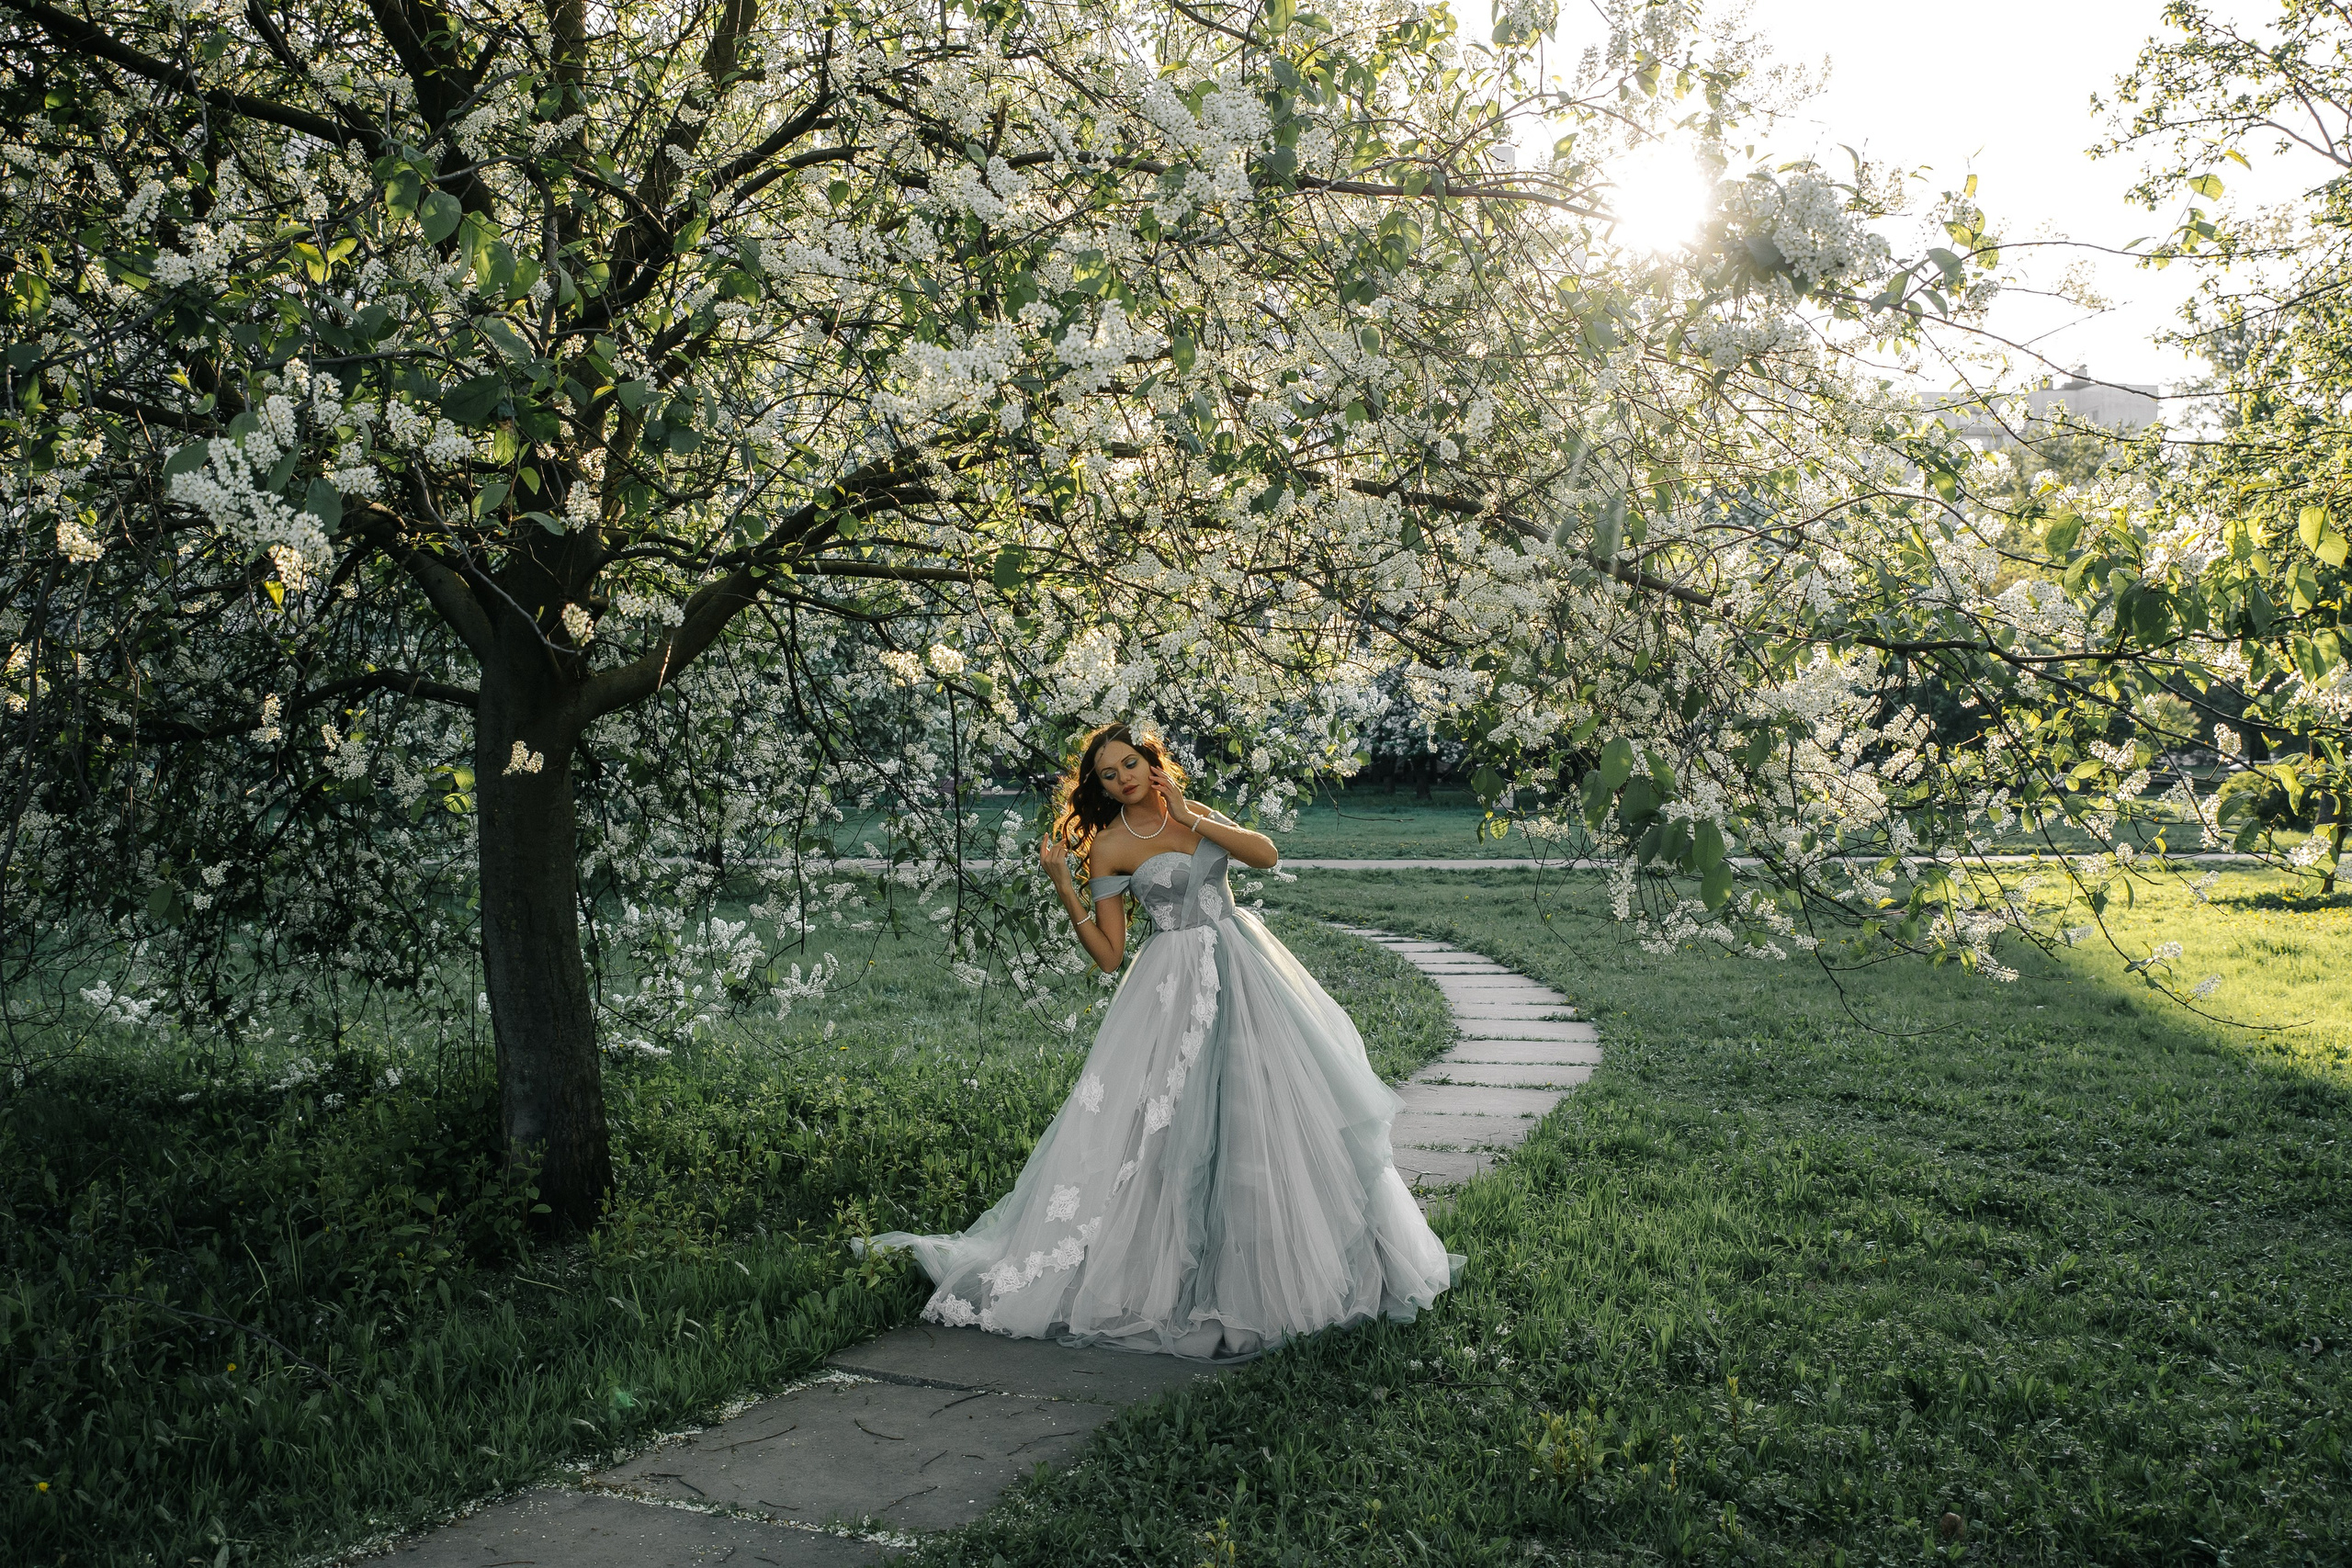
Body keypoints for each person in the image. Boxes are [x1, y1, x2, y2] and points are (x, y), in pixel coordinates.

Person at [860, 723, 1464, 1360]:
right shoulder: (1109, 845)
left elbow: (1265, 855)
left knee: (1264, 1108)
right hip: (1173, 985)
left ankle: (1290, 1258)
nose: (1122, 778)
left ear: (1151, 763)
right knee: (1173, 1122)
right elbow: (1109, 955)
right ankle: (1176, 1271)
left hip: (1245, 964)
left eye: (1130, 763)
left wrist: (1189, 814)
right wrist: (1065, 887)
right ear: (1098, 786)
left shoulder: (1190, 810)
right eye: (1107, 774)